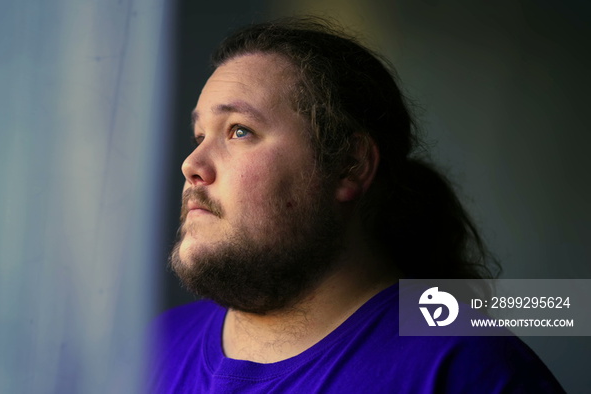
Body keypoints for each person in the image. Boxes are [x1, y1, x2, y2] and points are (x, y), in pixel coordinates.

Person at [150, 17, 563, 393]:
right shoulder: (154, 347)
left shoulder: (466, 367)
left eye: (239, 131)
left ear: (349, 166)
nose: (192, 165)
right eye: (198, 136)